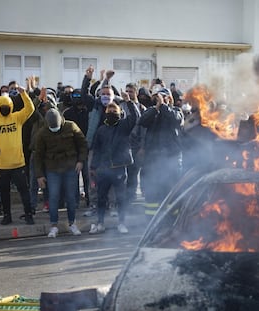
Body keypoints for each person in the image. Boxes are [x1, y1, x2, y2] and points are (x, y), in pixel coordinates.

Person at [0, 86, 35, 225]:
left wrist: (24, 94)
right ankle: (7, 216)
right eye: (2, 106)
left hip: (18, 163)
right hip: (1, 165)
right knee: (4, 193)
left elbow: (30, 109)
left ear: (10, 106)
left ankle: (28, 214)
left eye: (7, 106)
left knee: (24, 190)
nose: (5, 109)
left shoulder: (17, 117)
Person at [89, 96, 140, 234]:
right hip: (103, 170)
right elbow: (97, 150)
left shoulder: (124, 126)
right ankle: (100, 223)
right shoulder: (101, 130)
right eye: (109, 111)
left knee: (120, 198)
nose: (111, 113)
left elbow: (135, 117)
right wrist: (93, 167)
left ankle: (122, 223)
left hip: (119, 169)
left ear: (119, 113)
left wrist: (129, 101)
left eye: (114, 111)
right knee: (101, 198)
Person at [35, 108, 88, 238]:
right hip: (52, 169)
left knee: (71, 197)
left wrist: (81, 161)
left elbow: (82, 144)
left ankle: (72, 223)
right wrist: (39, 175)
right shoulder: (42, 133)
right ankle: (54, 226)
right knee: (53, 197)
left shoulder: (71, 126)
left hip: (70, 168)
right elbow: (38, 155)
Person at [138, 88, 184, 219]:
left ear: (169, 98)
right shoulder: (152, 111)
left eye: (163, 97)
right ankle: (151, 221)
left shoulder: (176, 111)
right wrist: (156, 108)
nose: (159, 99)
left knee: (171, 192)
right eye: (158, 97)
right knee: (152, 192)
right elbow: (142, 121)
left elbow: (176, 120)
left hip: (171, 160)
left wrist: (163, 105)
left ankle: (171, 221)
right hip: (153, 160)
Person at [63, 88, 91, 208]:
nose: (77, 97)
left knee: (87, 176)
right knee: (73, 178)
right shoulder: (67, 113)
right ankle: (75, 202)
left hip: (87, 148)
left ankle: (89, 199)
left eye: (79, 95)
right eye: (74, 95)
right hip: (72, 149)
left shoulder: (89, 112)